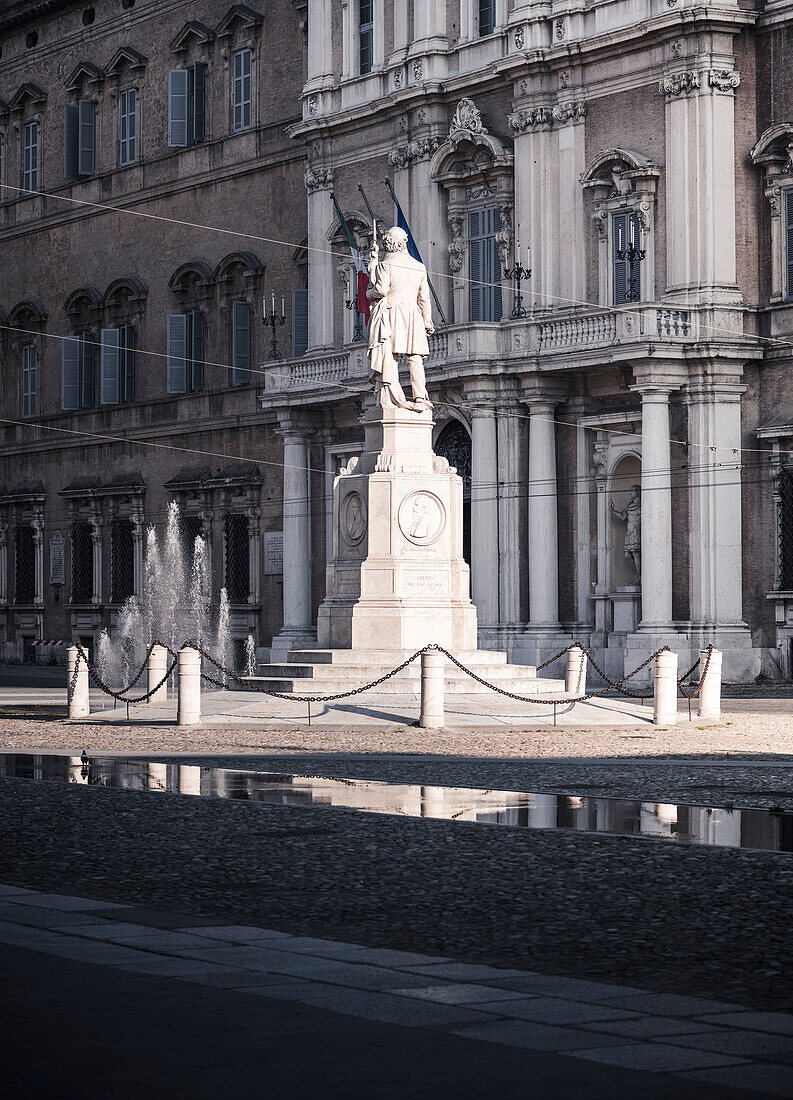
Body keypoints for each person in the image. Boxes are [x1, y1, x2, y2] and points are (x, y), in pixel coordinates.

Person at [366, 225, 434, 411]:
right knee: (415, 358)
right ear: (403, 242)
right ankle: (420, 396)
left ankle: (390, 395)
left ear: (388, 243)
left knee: (391, 356)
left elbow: (381, 290)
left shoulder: (385, 265)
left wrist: (368, 292)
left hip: (392, 312)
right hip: (413, 314)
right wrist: (427, 320)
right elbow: (424, 299)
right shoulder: (419, 267)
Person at [609, 484, 642, 584]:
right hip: (629, 533)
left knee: (636, 554)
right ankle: (638, 572)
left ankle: (640, 577)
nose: (630, 493)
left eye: (632, 491)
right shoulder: (630, 506)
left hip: (636, 531)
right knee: (628, 555)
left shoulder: (642, 505)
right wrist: (612, 510)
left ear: (637, 493)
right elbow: (623, 517)